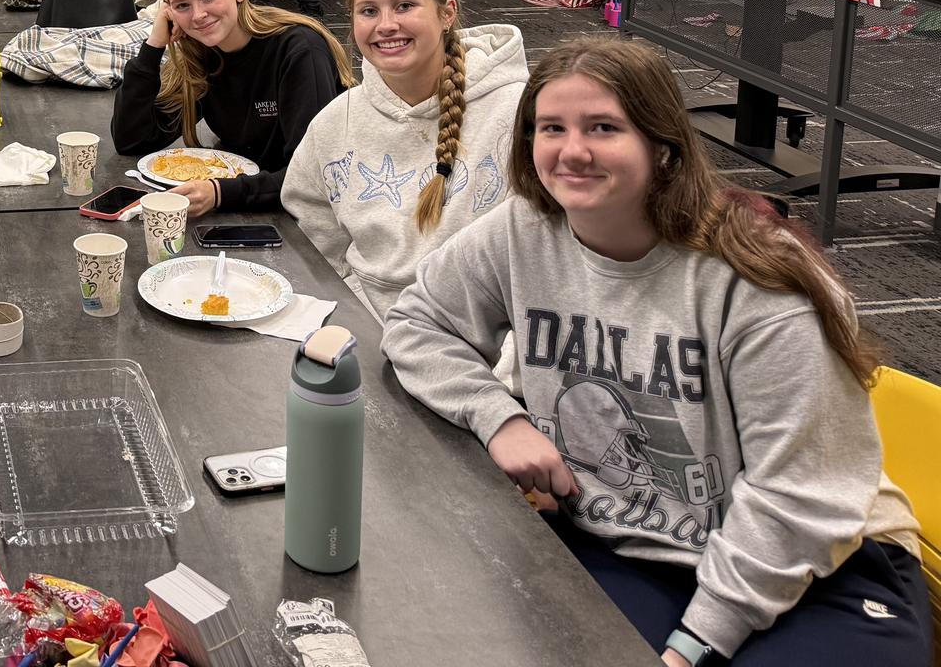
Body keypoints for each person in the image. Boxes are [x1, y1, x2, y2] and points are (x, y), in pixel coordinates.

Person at [385, 38, 930, 667]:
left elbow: (802, 494)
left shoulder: (756, 275)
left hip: (819, 561)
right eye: (551, 128)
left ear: (663, 147)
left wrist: (693, 644)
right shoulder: (523, 230)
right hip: (633, 543)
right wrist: (498, 417)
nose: (573, 151)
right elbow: (418, 323)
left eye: (604, 128)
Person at [281, 0, 529, 318]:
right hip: (363, 325)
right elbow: (312, 224)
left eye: (404, 6)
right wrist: (347, 307)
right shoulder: (336, 121)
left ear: (447, 13)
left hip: (475, 340)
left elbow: (542, 254)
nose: (386, 25)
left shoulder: (517, 114)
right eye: (368, 11)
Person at [112, 0, 352, 214]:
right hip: (250, 204)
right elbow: (131, 140)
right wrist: (154, 46)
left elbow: (312, 176)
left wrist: (218, 194)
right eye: (182, 6)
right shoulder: (201, 55)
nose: (198, 15)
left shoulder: (299, 50)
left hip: (307, 220)